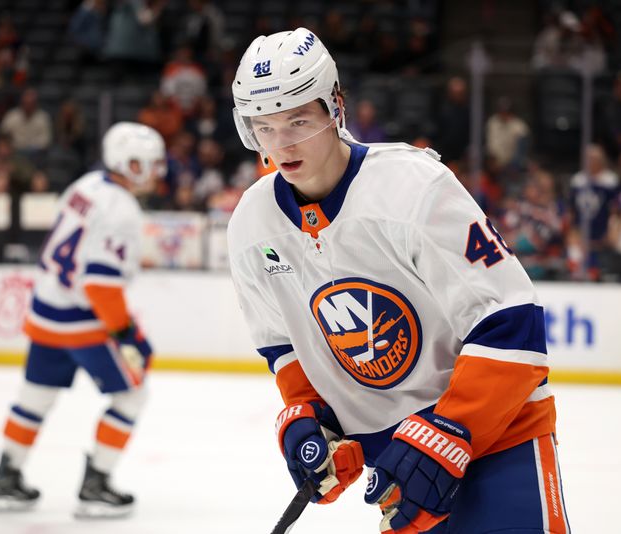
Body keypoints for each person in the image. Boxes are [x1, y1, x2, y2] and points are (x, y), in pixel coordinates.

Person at [227, 28, 570, 533]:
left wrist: (450, 431)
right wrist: (311, 418)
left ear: (334, 107)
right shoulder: (252, 225)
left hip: (499, 439)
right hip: (400, 467)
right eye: (265, 127)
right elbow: (284, 346)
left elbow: (512, 324)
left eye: (298, 120)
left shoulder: (413, 188)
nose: (281, 145)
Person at [0, 122, 166, 518]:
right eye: (148, 164)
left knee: (34, 396)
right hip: (83, 322)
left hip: (46, 311)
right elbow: (100, 285)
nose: (154, 172)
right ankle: (96, 484)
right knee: (133, 395)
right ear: (129, 163)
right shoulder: (122, 209)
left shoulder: (85, 185)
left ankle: (5, 477)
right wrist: (128, 335)